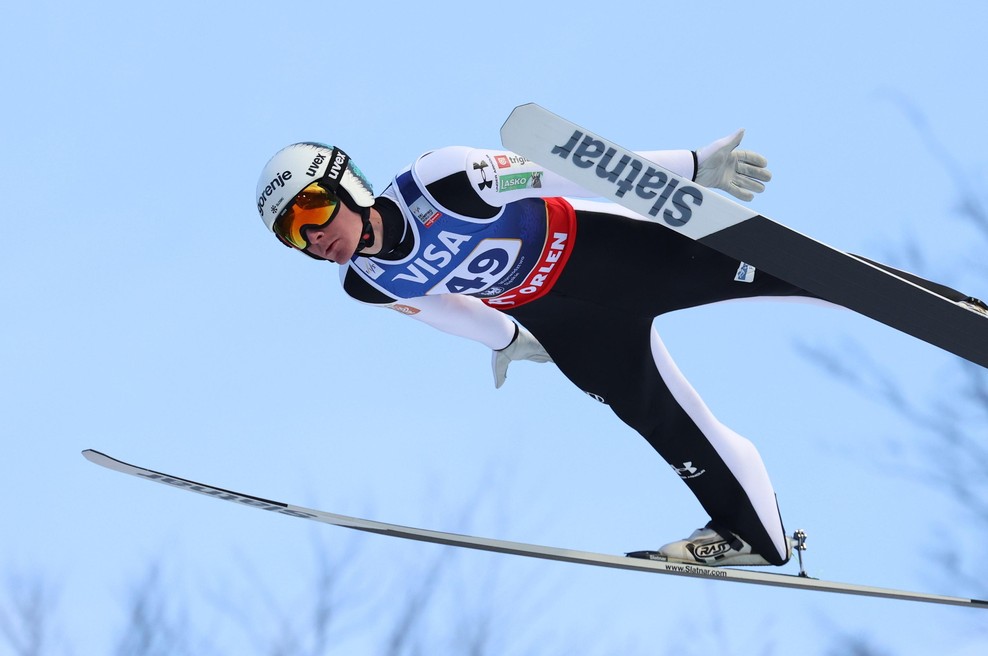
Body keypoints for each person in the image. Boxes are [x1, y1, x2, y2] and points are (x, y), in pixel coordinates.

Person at [255, 130, 987, 567]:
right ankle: (748, 531)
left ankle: (957, 313)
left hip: (608, 254)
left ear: (344, 183)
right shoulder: (366, 282)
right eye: (296, 234)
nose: (316, 235)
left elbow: (556, 170)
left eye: (315, 209)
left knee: (801, 271)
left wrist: (690, 167)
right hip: (565, 320)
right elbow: (442, 309)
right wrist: (508, 339)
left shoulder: (444, 179)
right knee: (660, 420)